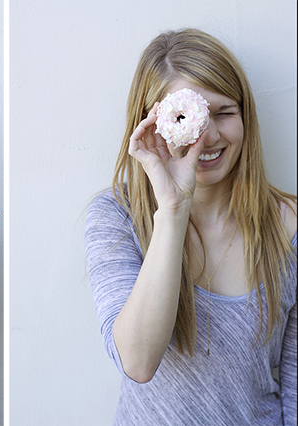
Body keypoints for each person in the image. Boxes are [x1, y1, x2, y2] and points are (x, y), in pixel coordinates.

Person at [85, 29, 296, 425]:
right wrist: (172, 208)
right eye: (186, 117)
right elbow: (137, 360)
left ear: (245, 115)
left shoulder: (290, 226)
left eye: (224, 112)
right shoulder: (115, 216)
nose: (209, 136)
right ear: (150, 125)